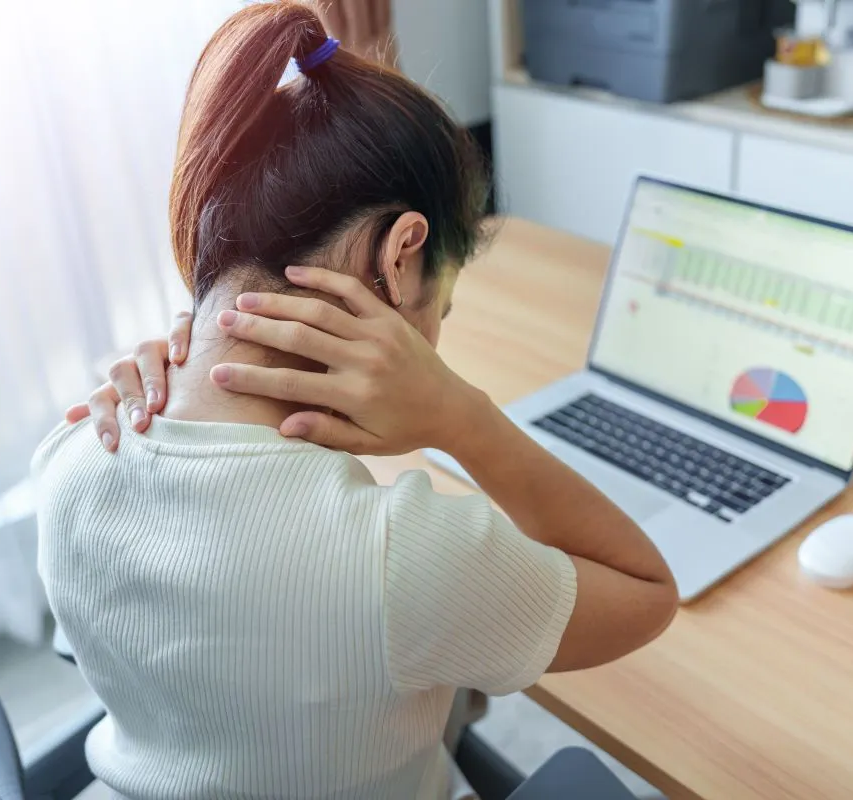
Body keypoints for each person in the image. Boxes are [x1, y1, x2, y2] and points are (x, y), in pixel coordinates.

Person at [35, 3, 678, 799]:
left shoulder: (69, 460)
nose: (437, 330)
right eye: (444, 305)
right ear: (403, 255)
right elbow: (647, 593)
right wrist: (462, 418)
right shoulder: (397, 558)